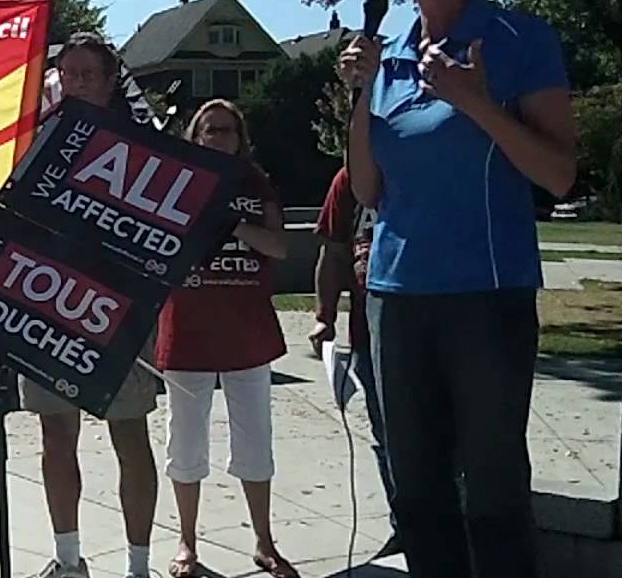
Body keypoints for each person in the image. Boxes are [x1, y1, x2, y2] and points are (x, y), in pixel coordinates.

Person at [339, 0, 575, 578]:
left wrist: (471, 99)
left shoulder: (517, 39)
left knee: (492, 491)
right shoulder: (390, 51)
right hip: (395, 294)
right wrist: (360, 94)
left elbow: (558, 173)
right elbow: (366, 189)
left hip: (485, 294)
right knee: (418, 492)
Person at [23, 33, 159, 578]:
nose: (75, 83)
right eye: (67, 72)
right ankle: (67, 559)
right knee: (56, 433)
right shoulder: (34, 136)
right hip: (42, 297)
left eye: (87, 75)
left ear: (109, 81)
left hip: (117, 306)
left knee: (129, 432)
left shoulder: (142, 145)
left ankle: (139, 566)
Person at [157, 100, 297, 578]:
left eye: (227, 130)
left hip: (248, 330)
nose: (218, 137)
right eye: (209, 129)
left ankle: (264, 540)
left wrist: (233, 223)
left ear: (241, 138)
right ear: (194, 136)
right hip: (188, 328)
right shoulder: (174, 181)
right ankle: (186, 542)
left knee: (254, 440)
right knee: (186, 443)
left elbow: (278, 246)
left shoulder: (256, 184)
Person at [308, 166, 401, 560]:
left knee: (441, 437)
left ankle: (450, 524)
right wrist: (324, 314)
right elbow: (334, 250)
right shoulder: (349, 180)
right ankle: (405, 524)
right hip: (367, 335)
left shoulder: (421, 163)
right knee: (387, 437)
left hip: (428, 325)